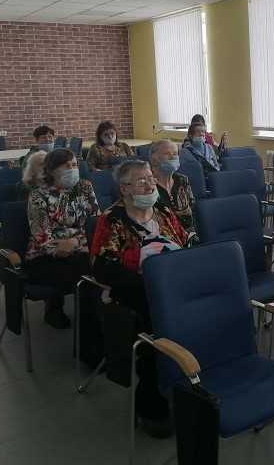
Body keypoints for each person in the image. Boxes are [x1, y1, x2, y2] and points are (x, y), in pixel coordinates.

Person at [91, 160, 194, 438]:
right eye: (141, 181)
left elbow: (186, 242)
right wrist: (147, 273)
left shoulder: (163, 211)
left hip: (173, 283)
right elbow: (102, 268)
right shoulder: (112, 219)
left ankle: (191, 385)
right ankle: (150, 403)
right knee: (156, 331)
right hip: (133, 291)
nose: (150, 184)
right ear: (124, 188)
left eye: (150, 178)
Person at [26, 148, 99, 328]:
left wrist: (76, 242)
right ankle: (88, 329)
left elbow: (96, 223)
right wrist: (71, 244)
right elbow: (42, 237)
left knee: (102, 267)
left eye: (74, 165)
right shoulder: (38, 195)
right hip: (45, 256)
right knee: (86, 271)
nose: (73, 169)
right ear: (51, 170)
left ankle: (97, 322)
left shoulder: (85, 187)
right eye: (66, 166)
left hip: (82, 248)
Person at [149, 139, 196, 232]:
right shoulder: (148, 185)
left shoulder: (182, 179)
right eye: (167, 154)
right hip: (163, 234)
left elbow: (192, 207)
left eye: (175, 154)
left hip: (188, 232)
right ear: (154, 160)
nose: (172, 157)